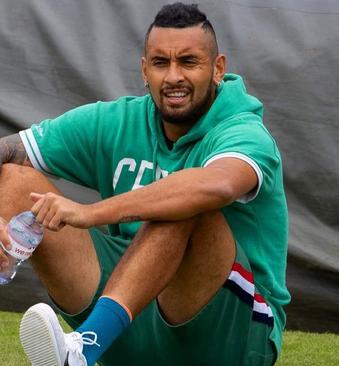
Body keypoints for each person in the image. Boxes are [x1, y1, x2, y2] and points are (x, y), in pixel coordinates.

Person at [0, 3, 289, 365]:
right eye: (160, 63)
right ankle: (86, 347)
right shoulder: (118, 120)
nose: (173, 77)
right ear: (144, 70)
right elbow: (7, 149)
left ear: (218, 69)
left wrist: (91, 213)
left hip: (228, 336)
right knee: (12, 179)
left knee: (186, 202)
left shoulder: (243, 131)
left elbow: (212, 187)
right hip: (130, 321)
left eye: (188, 62)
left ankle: (85, 348)